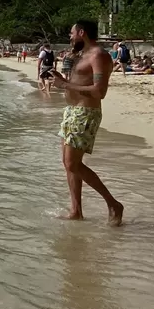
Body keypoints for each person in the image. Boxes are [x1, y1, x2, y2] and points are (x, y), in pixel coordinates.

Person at [52, 20, 123, 224]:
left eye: (71, 33)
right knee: (68, 164)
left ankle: (113, 203)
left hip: (85, 113)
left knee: (72, 163)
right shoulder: (81, 56)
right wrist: (62, 82)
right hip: (71, 112)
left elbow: (100, 91)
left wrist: (65, 84)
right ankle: (76, 211)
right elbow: (78, 83)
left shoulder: (98, 55)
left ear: (81, 32)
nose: (70, 36)